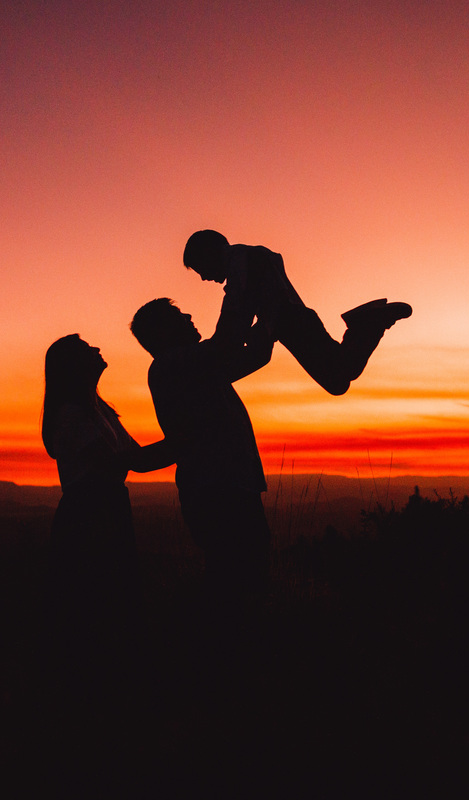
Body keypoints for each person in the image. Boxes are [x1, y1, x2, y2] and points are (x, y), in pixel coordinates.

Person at [40, 334, 172, 680]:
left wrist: (183, 445)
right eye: (86, 348)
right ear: (73, 365)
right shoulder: (70, 415)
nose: (97, 348)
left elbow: (136, 459)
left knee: (111, 599)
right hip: (89, 515)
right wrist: (187, 443)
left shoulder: (100, 410)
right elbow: (118, 461)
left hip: (107, 509)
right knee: (98, 602)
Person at [128, 298, 274, 612]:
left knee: (242, 579)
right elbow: (227, 342)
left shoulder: (196, 367)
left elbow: (256, 356)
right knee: (235, 585)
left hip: (229, 487)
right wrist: (249, 295)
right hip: (216, 491)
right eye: (178, 315)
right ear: (162, 332)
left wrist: (269, 317)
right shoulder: (172, 364)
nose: (190, 315)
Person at [183, 229, 412, 396]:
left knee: (340, 375)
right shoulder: (248, 259)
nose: (204, 277)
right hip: (292, 322)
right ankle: (365, 323)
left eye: (200, 268)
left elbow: (237, 310)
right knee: (338, 380)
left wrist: (222, 344)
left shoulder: (241, 261)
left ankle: (367, 323)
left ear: (208, 252)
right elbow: (244, 307)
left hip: (292, 322)